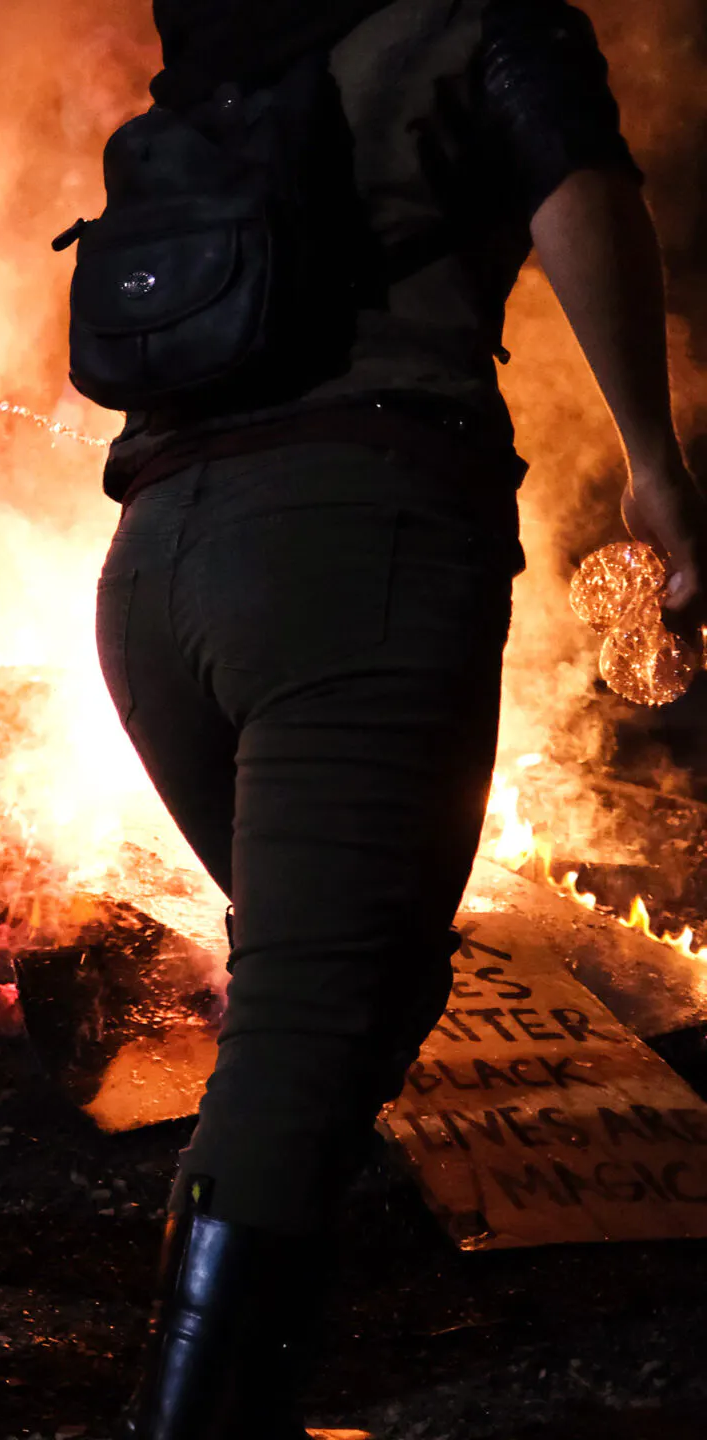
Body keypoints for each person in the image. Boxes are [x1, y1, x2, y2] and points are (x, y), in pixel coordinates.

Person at [84, 1, 694, 1430]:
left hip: (154, 568)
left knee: (350, 991)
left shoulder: (229, 49)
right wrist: (656, 470)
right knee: (314, 1021)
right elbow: (580, 192)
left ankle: (254, 1390)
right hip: (352, 550)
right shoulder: (480, 12)